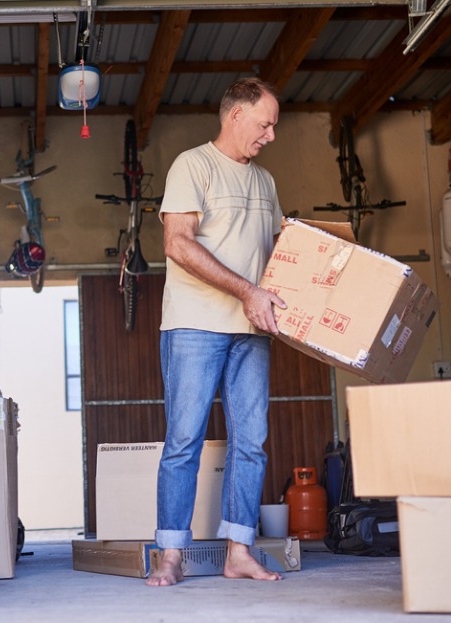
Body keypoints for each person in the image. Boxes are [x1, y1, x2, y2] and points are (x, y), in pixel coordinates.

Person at [145, 77, 287, 587]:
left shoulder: (265, 182)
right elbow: (177, 244)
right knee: (184, 440)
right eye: (265, 124)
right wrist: (246, 291)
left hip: (252, 329)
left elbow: (279, 253)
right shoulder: (193, 165)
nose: (271, 135)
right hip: (195, 325)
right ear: (236, 116)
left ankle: (239, 553)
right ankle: (171, 556)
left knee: (252, 442)